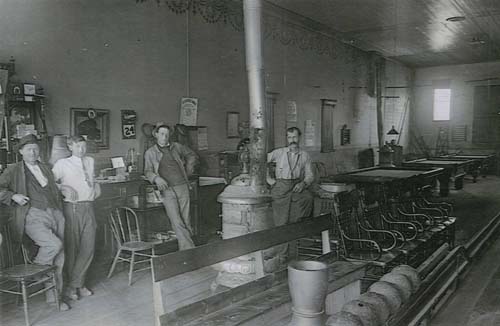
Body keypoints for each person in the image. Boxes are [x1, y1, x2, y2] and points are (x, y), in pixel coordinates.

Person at [0, 134, 70, 310]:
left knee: (60, 257)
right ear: (21, 151)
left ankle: (55, 298)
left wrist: (64, 188)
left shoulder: (45, 167)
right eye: (28, 149)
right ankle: (37, 272)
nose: (32, 152)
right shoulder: (13, 169)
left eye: (35, 149)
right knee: (54, 245)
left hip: (55, 213)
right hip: (33, 215)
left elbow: (52, 187)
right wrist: (13, 195)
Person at [52, 136, 100, 301]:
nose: (81, 149)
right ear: (70, 146)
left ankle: (76, 283)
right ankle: (74, 286)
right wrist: (63, 186)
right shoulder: (62, 164)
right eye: (78, 146)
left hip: (89, 206)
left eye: (84, 146)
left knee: (89, 246)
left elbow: (90, 180)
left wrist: (97, 184)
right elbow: (50, 183)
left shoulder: (90, 161)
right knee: (73, 248)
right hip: (72, 208)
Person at [144, 124, 198, 250]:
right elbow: (147, 171)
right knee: (176, 220)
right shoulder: (150, 153)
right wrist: (156, 178)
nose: (164, 137)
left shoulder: (176, 147)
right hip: (167, 190)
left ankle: (185, 250)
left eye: (167, 135)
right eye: (162, 134)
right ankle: (190, 250)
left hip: (182, 186)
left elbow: (191, 154)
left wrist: (189, 168)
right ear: (156, 135)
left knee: (186, 220)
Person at [267, 127, 314, 227]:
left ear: (299, 137)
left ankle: (297, 228)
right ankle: (281, 231)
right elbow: (260, 162)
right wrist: (269, 180)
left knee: (308, 198)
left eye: (295, 137)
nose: (292, 140)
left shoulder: (305, 155)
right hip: (280, 187)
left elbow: (310, 175)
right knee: (279, 211)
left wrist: (303, 183)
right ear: (287, 138)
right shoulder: (279, 152)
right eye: (290, 137)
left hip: (296, 186)